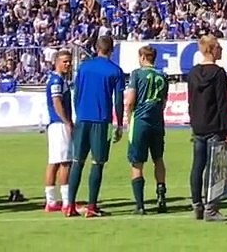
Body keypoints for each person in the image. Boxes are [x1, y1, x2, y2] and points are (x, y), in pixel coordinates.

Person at [67, 35, 125, 218]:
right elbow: (119, 100)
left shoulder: (84, 68)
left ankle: (69, 205)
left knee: (77, 162)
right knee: (97, 163)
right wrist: (120, 123)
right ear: (112, 49)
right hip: (102, 121)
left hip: (83, 118)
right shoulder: (115, 71)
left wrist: (78, 113)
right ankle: (92, 206)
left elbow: (75, 93)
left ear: (96, 48)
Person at [187, 35, 227, 222]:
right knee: (215, 168)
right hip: (214, 125)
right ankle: (211, 207)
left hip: (198, 125)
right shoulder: (218, 73)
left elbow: (191, 100)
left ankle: (196, 204)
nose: (221, 50)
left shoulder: (192, 73)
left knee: (197, 166)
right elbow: (223, 102)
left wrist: (193, 121)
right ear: (211, 49)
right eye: (219, 47)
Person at [124, 45, 168, 215]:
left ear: (142, 57)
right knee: (158, 159)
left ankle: (140, 204)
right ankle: (161, 196)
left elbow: (130, 101)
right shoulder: (163, 75)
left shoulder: (137, 74)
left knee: (137, 162)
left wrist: (128, 119)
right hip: (157, 121)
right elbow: (164, 102)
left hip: (140, 121)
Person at [43, 51, 74, 213]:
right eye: (64, 62)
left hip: (54, 125)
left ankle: (51, 201)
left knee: (54, 162)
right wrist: (67, 122)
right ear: (56, 62)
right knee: (65, 162)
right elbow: (57, 102)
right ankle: (66, 201)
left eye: (69, 62)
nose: (68, 64)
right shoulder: (56, 80)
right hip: (59, 124)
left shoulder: (58, 79)